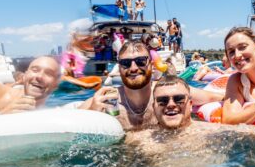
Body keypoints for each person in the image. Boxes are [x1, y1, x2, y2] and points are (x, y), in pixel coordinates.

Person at [82, 40, 223, 129]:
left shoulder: (167, 93)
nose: (133, 68)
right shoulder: (107, 98)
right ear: (119, 68)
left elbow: (217, 97)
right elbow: (70, 122)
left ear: (151, 65)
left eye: (141, 61)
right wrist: (91, 116)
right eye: (125, 63)